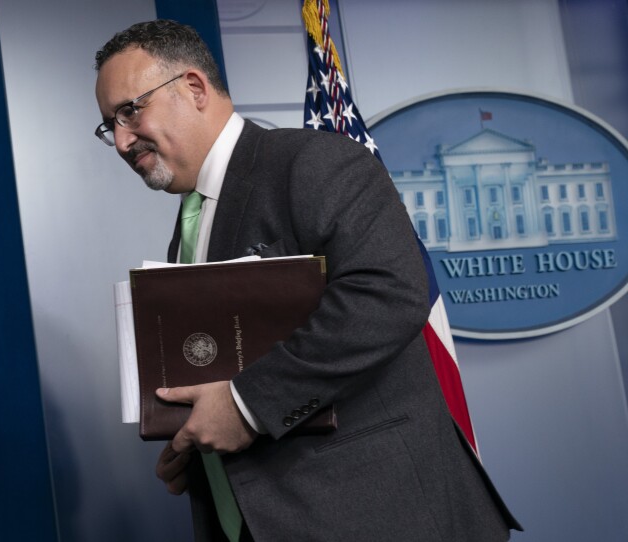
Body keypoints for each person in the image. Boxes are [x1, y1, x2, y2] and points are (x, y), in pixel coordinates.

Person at [94, 19, 522, 542]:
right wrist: (193, 446)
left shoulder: (314, 161)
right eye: (109, 126)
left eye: (130, 111)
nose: (121, 140)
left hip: (376, 517)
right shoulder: (189, 223)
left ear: (194, 88)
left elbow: (387, 291)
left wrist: (246, 407)